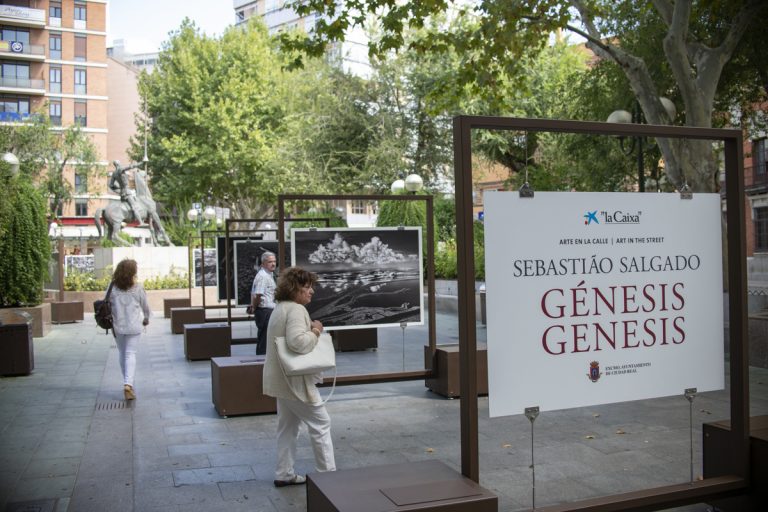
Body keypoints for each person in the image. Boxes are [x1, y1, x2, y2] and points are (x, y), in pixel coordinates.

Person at [263, 267, 335, 487]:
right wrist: (315, 331)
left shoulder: (280, 308)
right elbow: (297, 343)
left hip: (280, 380)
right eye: (307, 287)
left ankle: (284, 473)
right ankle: (328, 476)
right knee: (321, 423)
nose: (311, 291)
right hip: (295, 382)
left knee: (287, 427)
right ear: (294, 289)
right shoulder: (296, 310)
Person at [110, 259, 151, 400]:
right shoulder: (138, 288)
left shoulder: (112, 288)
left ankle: (128, 383)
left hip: (117, 326)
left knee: (122, 353)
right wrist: (146, 317)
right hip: (134, 326)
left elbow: (106, 304)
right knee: (130, 353)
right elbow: (145, 306)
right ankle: (128, 384)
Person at [250, 251, 277, 355]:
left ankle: (263, 362)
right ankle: (261, 363)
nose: (273, 264)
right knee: (264, 340)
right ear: (263, 263)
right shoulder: (263, 276)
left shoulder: (268, 275)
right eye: (270, 262)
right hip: (265, 311)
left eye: (274, 261)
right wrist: (254, 307)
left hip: (267, 311)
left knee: (266, 338)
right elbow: (257, 295)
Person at [108, 160, 146, 226]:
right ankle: (140, 222)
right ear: (118, 164)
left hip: (122, 194)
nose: (120, 164)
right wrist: (141, 163)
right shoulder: (120, 169)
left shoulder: (114, 173)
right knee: (134, 207)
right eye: (120, 163)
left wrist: (119, 189)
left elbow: (111, 185)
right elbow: (130, 167)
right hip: (127, 192)